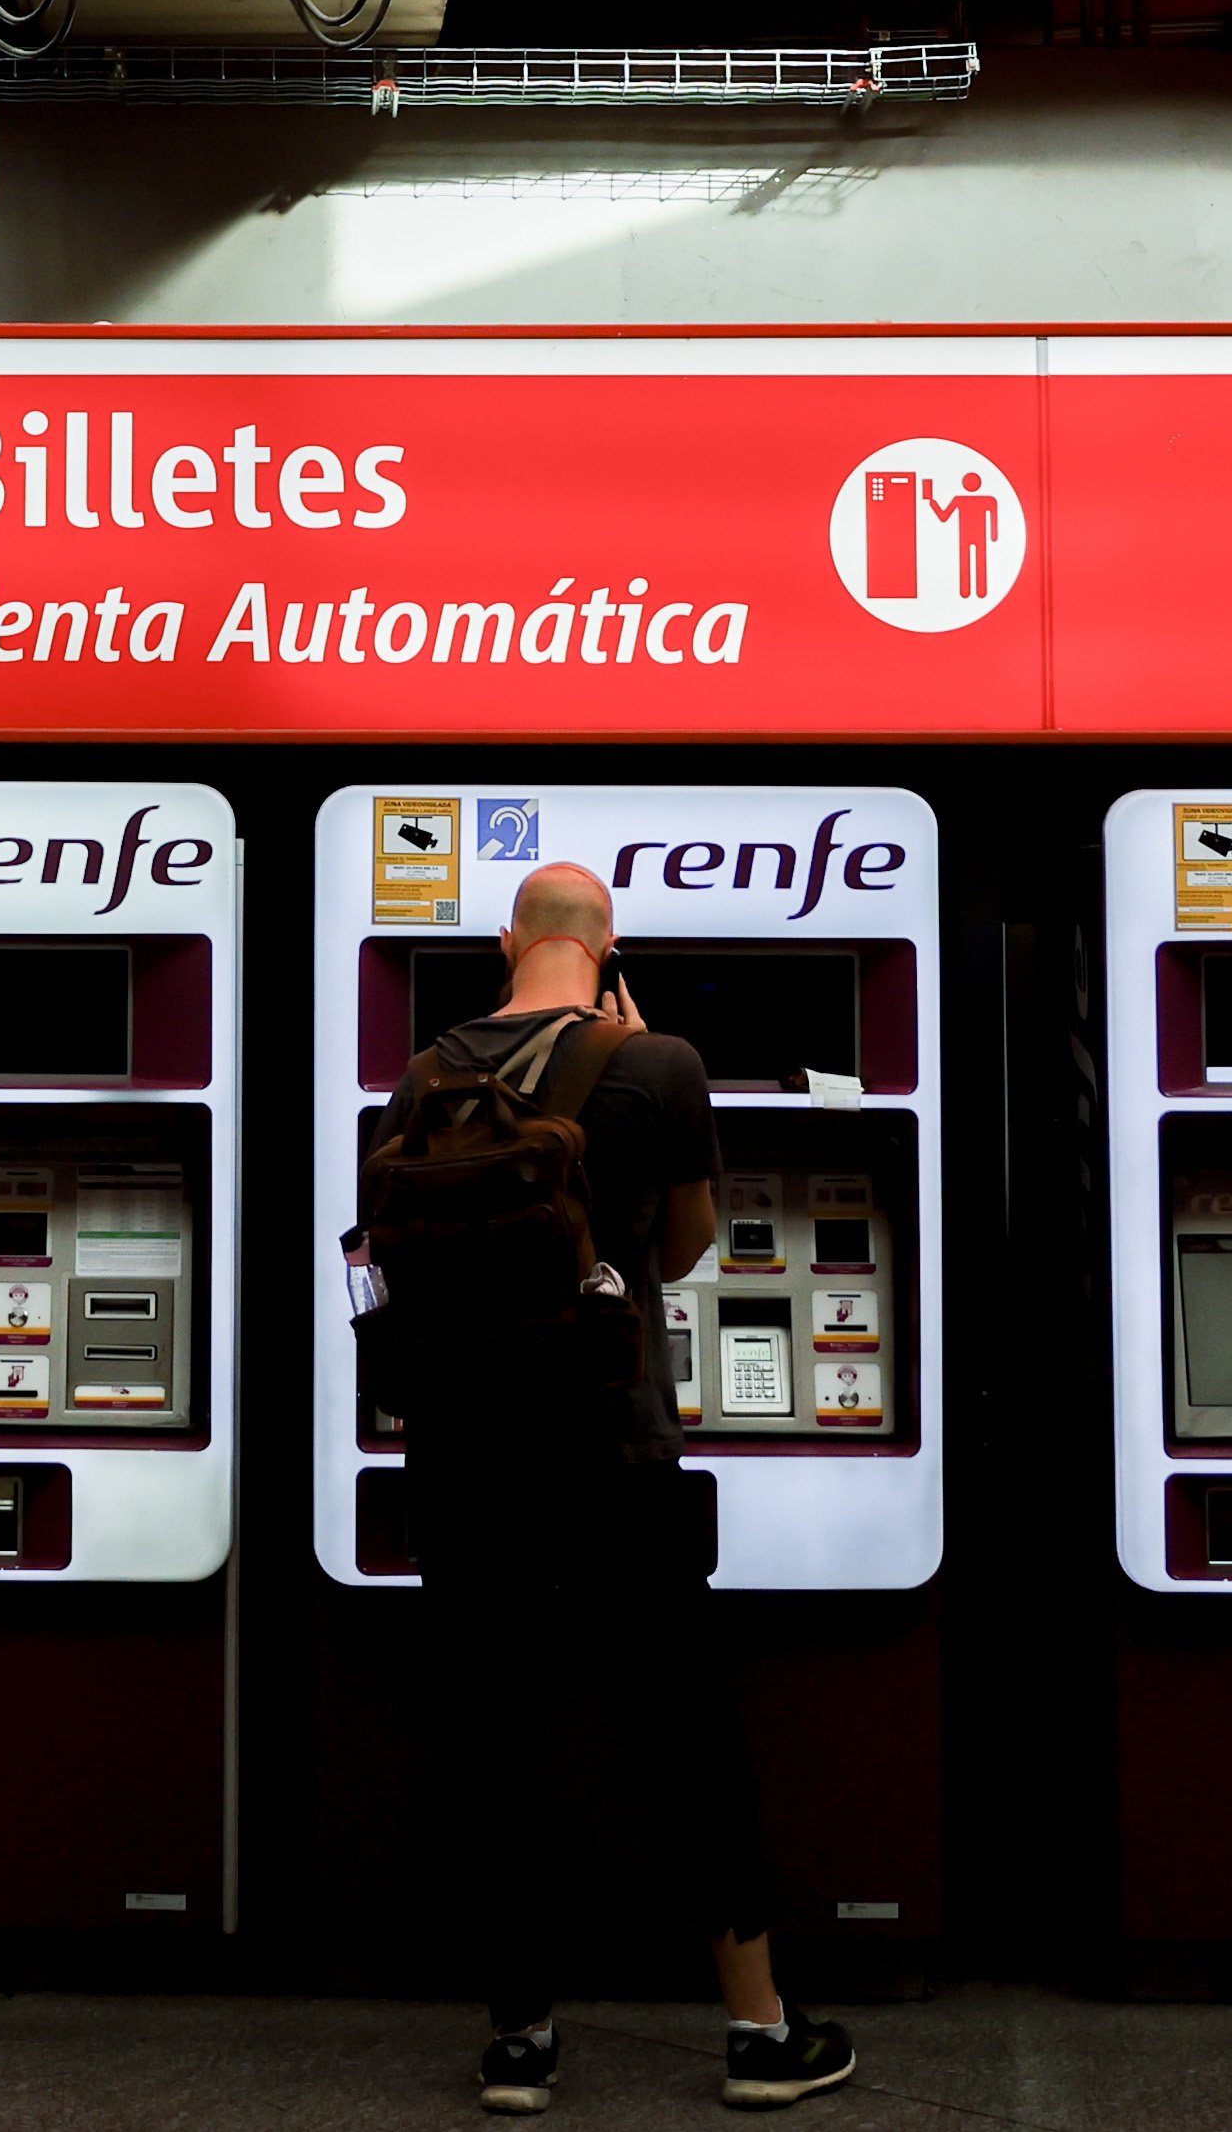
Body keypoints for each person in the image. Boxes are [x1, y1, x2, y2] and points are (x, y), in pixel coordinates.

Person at [379, 860, 855, 2114]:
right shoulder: (660, 1063)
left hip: (464, 1461)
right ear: (609, 946)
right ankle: (759, 2031)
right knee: (684, 1734)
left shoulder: (423, 1075)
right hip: (612, 1453)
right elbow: (688, 1250)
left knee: (493, 1736)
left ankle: (521, 2039)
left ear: (505, 941)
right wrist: (642, 1062)